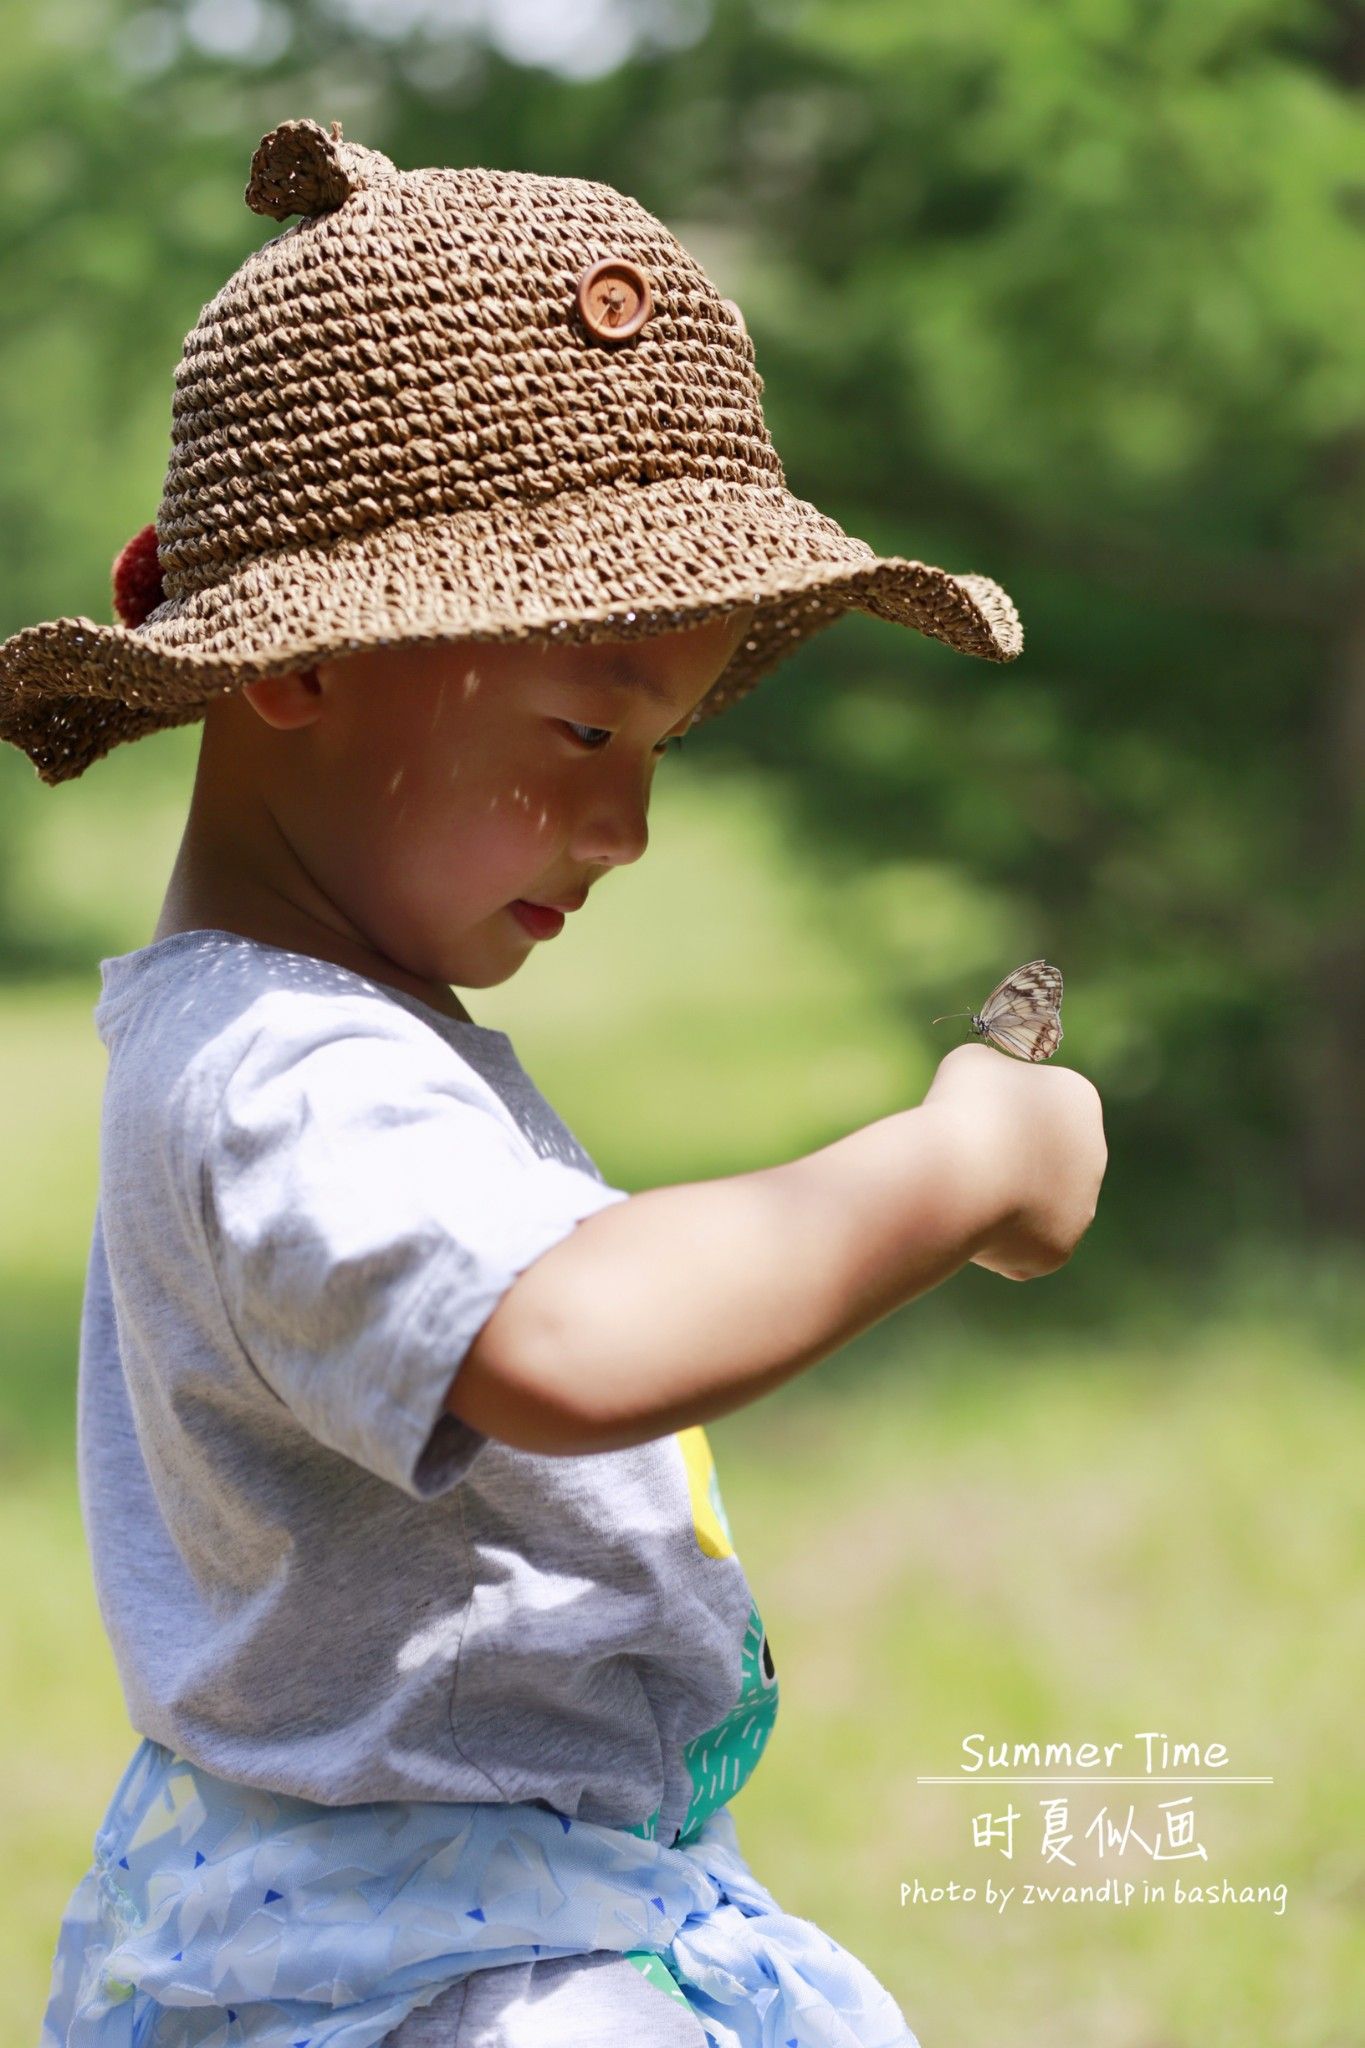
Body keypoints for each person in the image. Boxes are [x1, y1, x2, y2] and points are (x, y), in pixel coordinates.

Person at [0, 118, 1106, 2048]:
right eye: (586, 723)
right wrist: (949, 1162)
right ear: (303, 664)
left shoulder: (318, 1029)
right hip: (434, 1972)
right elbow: (569, 1338)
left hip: (461, 1908)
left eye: (655, 749)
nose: (626, 826)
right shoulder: (284, 1068)